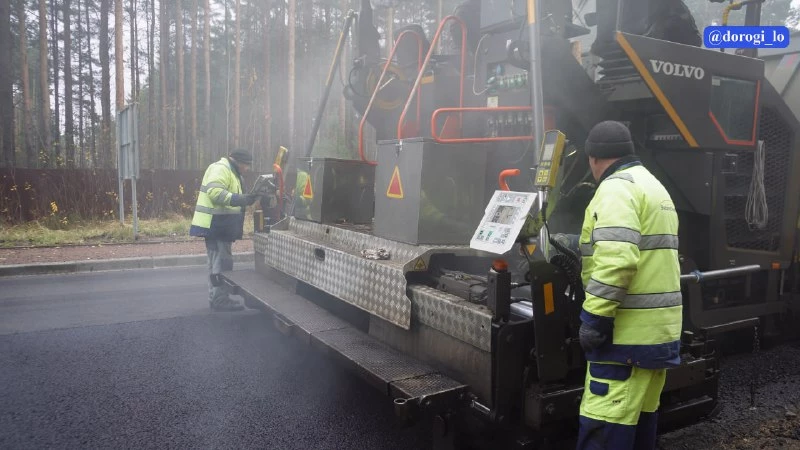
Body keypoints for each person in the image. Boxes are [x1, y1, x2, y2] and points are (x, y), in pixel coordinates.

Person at [575, 121, 683, 449]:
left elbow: (618, 260)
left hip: (625, 340)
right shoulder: (653, 186)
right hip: (657, 336)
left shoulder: (615, 190)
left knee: (605, 427)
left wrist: (594, 319)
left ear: (594, 159)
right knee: (639, 428)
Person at [190, 149, 259, 312]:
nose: (247, 169)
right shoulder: (221, 169)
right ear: (239, 162)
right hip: (216, 226)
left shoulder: (230, 171)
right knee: (222, 263)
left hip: (219, 226)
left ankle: (216, 297)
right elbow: (215, 193)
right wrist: (240, 199)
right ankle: (220, 299)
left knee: (217, 263)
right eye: (246, 165)